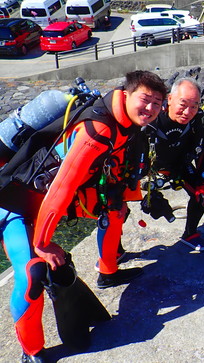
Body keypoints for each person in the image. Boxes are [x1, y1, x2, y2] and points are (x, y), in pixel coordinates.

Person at [0, 70, 166, 362]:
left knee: (116, 213)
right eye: (145, 100)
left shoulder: (126, 123)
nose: (151, 109)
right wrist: (41, 242)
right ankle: (32, 350)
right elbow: (61, 190)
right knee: (32, 273)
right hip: (18, 202)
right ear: (125, 95)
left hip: (46, 199)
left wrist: (121, 200)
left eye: (157, 103)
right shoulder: (99, 129)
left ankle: (108, 271)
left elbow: (114, 170)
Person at [144, 77, 204, 251]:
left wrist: (203, 179)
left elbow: (201, 152)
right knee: (117, 206)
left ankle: (190, 234)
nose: (187, 112)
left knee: (203, 193)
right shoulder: (151, 120)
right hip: (149, 170)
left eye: (194, 106)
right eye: (183, 104)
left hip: (179, 165)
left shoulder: (197, 121)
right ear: (170, 99)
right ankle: (115, 251)